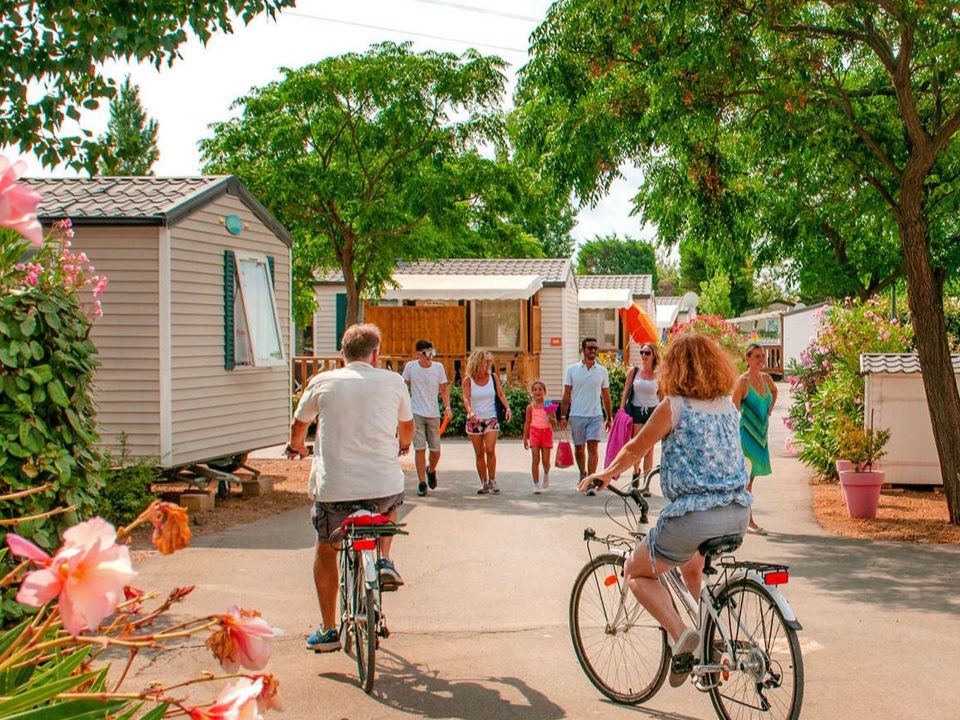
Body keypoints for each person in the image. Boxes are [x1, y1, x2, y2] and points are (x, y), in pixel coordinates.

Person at [579, 333, 752, 687]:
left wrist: (604, 473)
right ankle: (711, 638)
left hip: (694, 516)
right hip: (737, 512)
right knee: (692, 566)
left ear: (673, 368)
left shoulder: (674, 406)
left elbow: (634, 449)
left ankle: (682, 634)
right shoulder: (726, 406)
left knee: (636, 570)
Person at [288, 323, 414, 653]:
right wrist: (403, 444)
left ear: (343, 355)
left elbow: (299, 424)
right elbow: (407, 427)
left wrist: (297, 447)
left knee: (327, 547)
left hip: (336, 489)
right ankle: (384, 560)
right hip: (380, 486)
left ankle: (329, 630)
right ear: (376, 354)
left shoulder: (323, 381)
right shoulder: (393, 381)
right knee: (389, 502)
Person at [732, 343, 778, 535]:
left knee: (749, 480)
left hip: (761, 435)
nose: (761, 359)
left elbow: (775, 392)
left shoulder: (766, 379)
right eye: (757, 356)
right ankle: (748, 521)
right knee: (746, 480)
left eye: (762, 356)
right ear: (748, 359)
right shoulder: (743, 381)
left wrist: (769, 410)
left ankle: (740, 520)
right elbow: (733, 409)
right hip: (746, 437)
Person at [560, 337, 612, 494]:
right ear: (582, 350)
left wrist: (609, 416)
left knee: (593, 446)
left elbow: (606, 395)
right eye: (590, 348)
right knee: (580, 448)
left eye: (595, 348)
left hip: (595, 415)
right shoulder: (572, 370)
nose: (593, 351)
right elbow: (567, 394)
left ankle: (591, 479)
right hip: (577, 415)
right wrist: (563, 416)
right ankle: (582, 473)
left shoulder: (602, 371)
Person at [402, 339, 452, 497]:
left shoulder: (438, 368)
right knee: (420, 449)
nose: (429, 356)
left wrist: (447, 407)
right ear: (418, 355)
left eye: (432, 353)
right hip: (416, 412)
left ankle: (431, 470)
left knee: (436, 450)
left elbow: (443, 389)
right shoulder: (411, 367)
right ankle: (422, 482)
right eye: (425, 354)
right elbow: (403, 386)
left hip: (434, 413)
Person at [462, 349, 511, 495]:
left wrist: (508, 408)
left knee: (490, 449)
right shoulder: (468, 380)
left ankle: (492, 479)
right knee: (479, 453)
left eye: (489, 362)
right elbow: (466, 398)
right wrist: (470, 412)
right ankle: (483, 482)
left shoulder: (493, 377)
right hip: (475, 419)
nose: (488, 364)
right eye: (485, 362)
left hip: (491, 417)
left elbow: (500, 394)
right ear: (477, 363)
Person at [620, 342, 662, 482]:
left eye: (647, 353)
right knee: (637, 445)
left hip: (653, 412)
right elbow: (626, 392)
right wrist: (621, 410)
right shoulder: (634, 371)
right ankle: (636, 472)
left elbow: (662, 396)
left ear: (653, 355)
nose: (644, 355)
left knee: (649, 448)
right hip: (636, 410)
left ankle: (646, 483)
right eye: (642, 352)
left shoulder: (659, 374)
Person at [523, 379, 557, 494]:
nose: (538, 392)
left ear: (544, 391)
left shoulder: (548, 405)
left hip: (546, 433)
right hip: (534, 433)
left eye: (540, 389)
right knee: (535, 458)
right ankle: (536, 484)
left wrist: (550, 417)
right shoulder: (530, 407)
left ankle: (546, 473)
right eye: (535, 390)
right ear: (532, 392)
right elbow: (527, 423)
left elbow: (555, 423)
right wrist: (525, 438)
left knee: (546, 460)